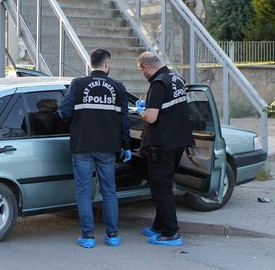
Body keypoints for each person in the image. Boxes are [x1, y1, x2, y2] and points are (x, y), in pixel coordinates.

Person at [59, 48, 131, 249]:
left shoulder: (78, 84)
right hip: (108, 147)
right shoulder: (118, 88)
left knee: (83, 191)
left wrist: (79, 122)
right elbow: (124, 121)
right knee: (109, 191)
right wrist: (126, 146)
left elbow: (64, 112)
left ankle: (88, 236)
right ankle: (112, 235)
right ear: (106, 64)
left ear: (91, 64)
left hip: (82, 145)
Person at [135, 51, 194, 246]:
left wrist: (141, 112)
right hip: (179, 142)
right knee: (163, 185)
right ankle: (158, 226)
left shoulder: (158, 83)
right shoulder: (176, 79)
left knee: (161, 189)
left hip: (162, 145)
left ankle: (170, 233)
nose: (143, 75)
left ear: (145, 67)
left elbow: (151, 117)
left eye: (141, 71)